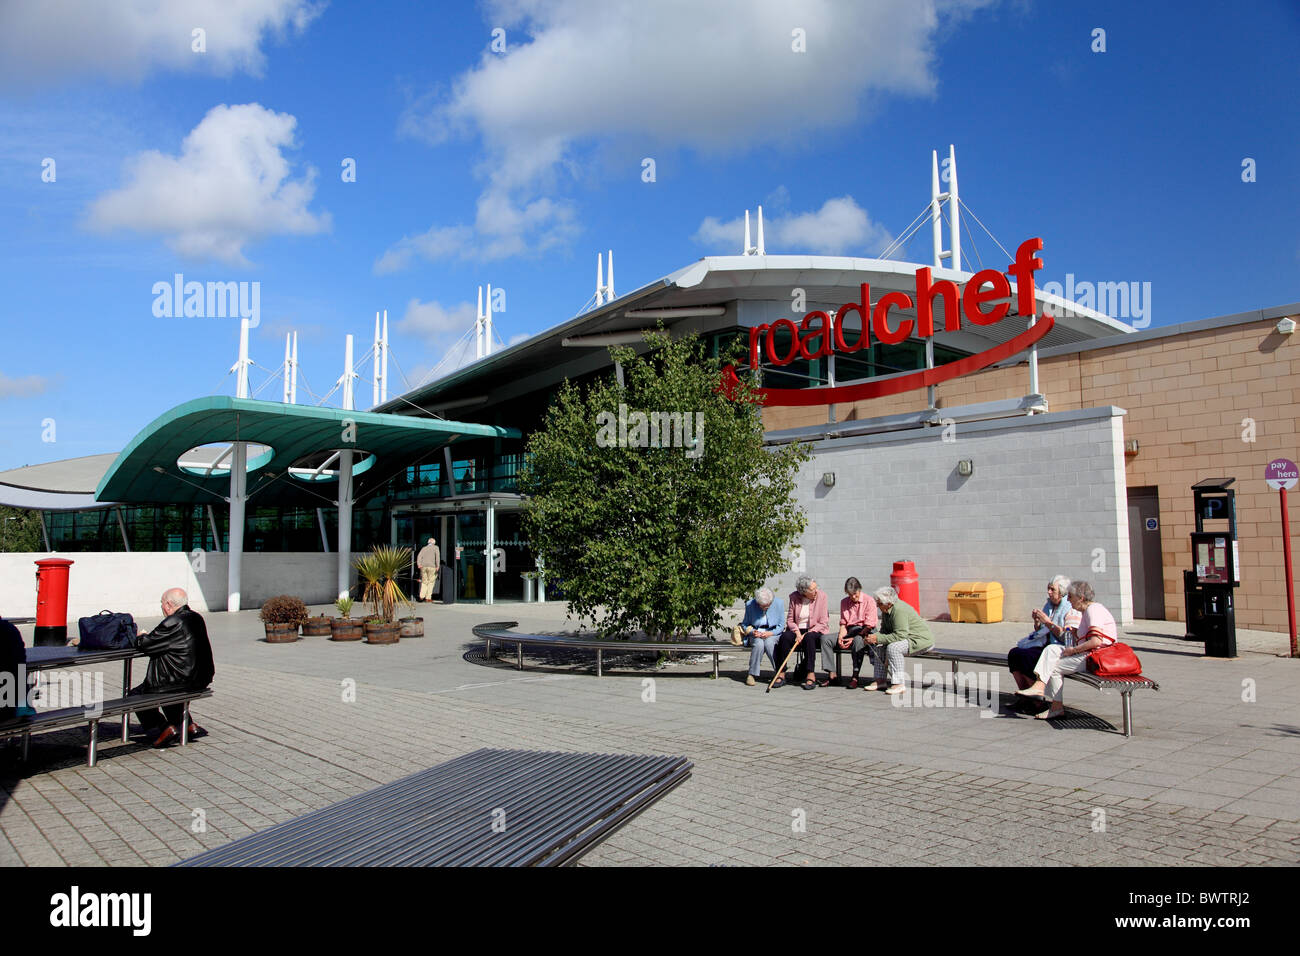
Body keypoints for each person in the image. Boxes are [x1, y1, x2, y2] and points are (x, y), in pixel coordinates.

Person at [1016, 580, 1117, 720]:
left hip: (1097, 657)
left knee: (1055, 668)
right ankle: (1039, 685)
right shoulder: (1087, 611)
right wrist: (1074, 633)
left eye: (1070, 596)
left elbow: (1096, 641)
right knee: (1052, 649)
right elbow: (1085, 637)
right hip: (1091, 653)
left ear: (1081, 598)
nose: (1068, 599)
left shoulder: (1093, 610)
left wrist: (1073, 650)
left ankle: (1056, 707)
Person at [130, 588, 216, 748]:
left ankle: (165, 729)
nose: (162, 607)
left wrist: (141, 636)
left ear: (168, 604)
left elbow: (146, 645)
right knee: (171, 693)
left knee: (135, 696)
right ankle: (188, 726)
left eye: (162, 603)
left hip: (182, 679)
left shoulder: (173, 621)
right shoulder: (196, 617)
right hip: (200, 678)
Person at [1007, 575, 1080, 690]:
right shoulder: (1049, 605)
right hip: (1044, 644)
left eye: (1052, 589)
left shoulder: (1069, 607)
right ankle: (1024, 695)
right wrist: (1037, 622)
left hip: (1058, 648)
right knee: (1014, 654)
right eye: (1048, 589)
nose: (1049, 592)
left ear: (1062, 592)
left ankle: (1036, 700)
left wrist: (1047, 622)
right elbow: (1041, 631)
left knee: (1027, 658)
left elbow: (1067, 637)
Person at [866, 586, 933, 694]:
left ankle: (899, 684)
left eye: (879, 603)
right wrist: (872, 638)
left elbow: (900, 635)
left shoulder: (899, 610)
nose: (877, 606)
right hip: (907, 638)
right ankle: (880, 681)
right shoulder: (886, 609)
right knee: (879, 646)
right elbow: (884, 631)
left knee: (893, 648)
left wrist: (878, 638)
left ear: (888, 603)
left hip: (920, 640)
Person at [773, 577, 829, 690]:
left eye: (816, 587)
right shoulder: (794, 597)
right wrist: (797, 632)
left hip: (815, 630)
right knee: (784, 637)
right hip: (797, 629)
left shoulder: (822, 596)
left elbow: (823, 622)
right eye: (812, 589)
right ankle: (781, 673)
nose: (816, 591)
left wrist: (808, 632)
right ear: (804, 592)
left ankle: (810, 673)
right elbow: (790, 620)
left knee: (809, 638)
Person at [823, 577, 877, 688]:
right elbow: (843, 623)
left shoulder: (869, 600)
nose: (853, 597)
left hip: (864, 631)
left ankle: (855, 676)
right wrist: (841, 637)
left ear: (860, 590)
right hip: (850, 630)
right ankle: (832, 674)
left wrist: (853, 638)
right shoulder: (844, 602)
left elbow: (869, 625)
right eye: (850, 594)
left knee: (857, 640)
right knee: (825, 639)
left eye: (855, 594)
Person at [741, 588, 786, 686]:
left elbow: (781, 625)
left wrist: (771, 633)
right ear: (757, 602)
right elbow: (744, 624)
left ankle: (779, 672)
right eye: (763, 606)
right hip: (757, 632)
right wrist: (753, 632)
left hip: (773, 632)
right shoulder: (750, 604)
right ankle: (752, 674)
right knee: (758, 644)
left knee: (770, 644)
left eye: (768, 605)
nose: (765, 608)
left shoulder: (779, 603)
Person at [416, 537, 441, 602]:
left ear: (428, 542)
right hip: (432, 567)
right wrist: (438, 566)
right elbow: (437, 557)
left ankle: (421, 596)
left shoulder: (424, 548)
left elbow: (419, 556)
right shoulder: (436, 548)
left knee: (424, 581)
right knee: (431, 582)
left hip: (423, 567)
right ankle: (428, 598)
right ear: (434, 543)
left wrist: (419, 564)